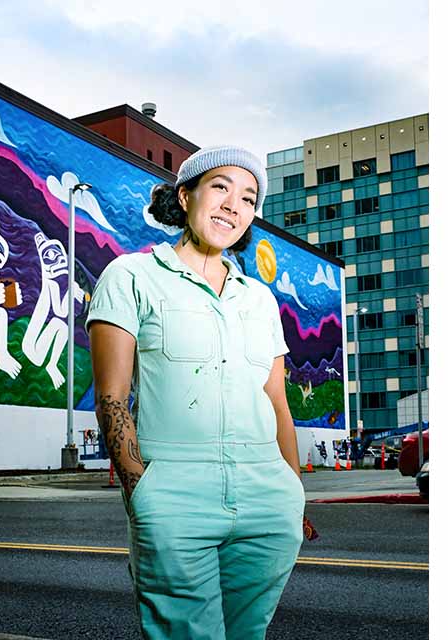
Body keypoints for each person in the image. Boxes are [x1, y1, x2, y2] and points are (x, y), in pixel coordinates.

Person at [86, 145, 305, 639]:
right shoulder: (131, 276)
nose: (233, 205)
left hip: (267, 496)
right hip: (174, 496)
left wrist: (294, 492)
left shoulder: (260, 299)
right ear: (186, 196)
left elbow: (277, 403)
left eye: (248, 198)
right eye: (221, 187)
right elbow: (112, 398)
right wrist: (142, 490)